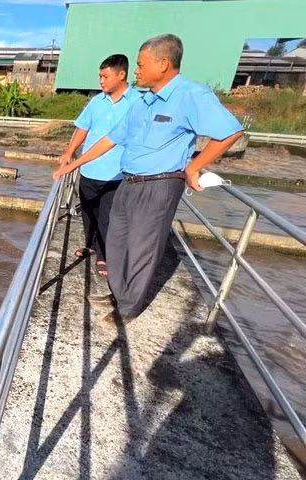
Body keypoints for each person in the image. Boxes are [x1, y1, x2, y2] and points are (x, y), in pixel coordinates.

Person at [53, 34, 244, 324]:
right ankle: (119, 293)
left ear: (163, 64)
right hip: (129, 181)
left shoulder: (191, 95)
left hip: (160, 184)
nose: (137, 71)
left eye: (141, 65)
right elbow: (110, 139)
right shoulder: (143, 102)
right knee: (116, 241)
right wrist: (74, 163)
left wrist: (195, 167)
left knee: (143, 248)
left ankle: (128, 308)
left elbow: (230, 132)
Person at [59, 54, 141, 277]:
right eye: (100, 76)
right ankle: (91, 245)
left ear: (121, 74)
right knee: (88, 211)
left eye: (105, 76)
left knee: (108, 217)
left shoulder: (138, 103)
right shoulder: (97, 102)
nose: (101, 81)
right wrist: (69, 153)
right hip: (89, 169)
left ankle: (105, 256)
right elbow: (82, 128)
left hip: (117, 174)